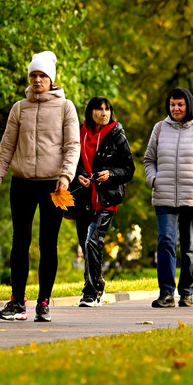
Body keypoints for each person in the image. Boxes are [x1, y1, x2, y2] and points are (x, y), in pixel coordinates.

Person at [0, 51, 80, 322]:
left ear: (51, 79)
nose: (37, 80)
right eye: (33, 75)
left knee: (48, 244)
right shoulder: (19, 108)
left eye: (42, 76)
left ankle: (44, 303)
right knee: (20, 243)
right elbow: (6, 147)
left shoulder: (66, 107)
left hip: (54, 186)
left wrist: (66, 176)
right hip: (22, 183)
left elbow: (72, 146)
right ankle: (18, 302)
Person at [144, 87, 193, 308]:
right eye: (172, 104)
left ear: (189, 105)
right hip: (164, 194)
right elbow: (149, 160)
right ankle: (166, 294)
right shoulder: (159, 128)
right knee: (166, 242)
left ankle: (186, 293)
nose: (176, 108)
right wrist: (153, 179)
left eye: (180, 104)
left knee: (190, 246)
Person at [73, 97, 135, 307]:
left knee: (92, 241)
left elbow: (129, 169)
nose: (104, 113)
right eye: (99, 109)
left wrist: (111, 173)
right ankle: (97, 284)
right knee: (87, 244)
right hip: (83, 199)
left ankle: (91, 293)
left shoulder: (117, 135)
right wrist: (78, 175)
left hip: (107, 198)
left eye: (107, 109)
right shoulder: (78, 133)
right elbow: (70, 160)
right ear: (90, 112)